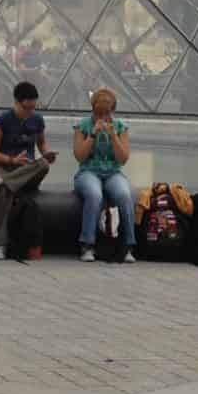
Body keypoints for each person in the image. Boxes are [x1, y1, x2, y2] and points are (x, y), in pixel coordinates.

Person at [0, 81, 54, 259]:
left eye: (33, 108)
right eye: (26, 108)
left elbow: (41, 143)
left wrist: (47, 153)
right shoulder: (3, 120)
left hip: (26, 170)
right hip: (3, 166)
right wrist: (11, 159)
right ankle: (1, 246)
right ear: (17, 102)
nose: (30, 112)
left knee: (44, 164)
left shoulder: (37, 120)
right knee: (2, 192)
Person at [71, 87, 136, 263]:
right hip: (88, 171)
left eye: (106, 114)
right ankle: (87, 245)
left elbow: (123, 159)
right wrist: (92, 134)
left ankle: (128, 246)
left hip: (113, 171)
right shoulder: (82, 126)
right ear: (93, 109)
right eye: (99, 113)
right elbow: (80, 156)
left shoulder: (120, 127)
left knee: (124, 194)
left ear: (112, 111)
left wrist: (114, 136)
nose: (102, 118)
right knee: (94, 194)